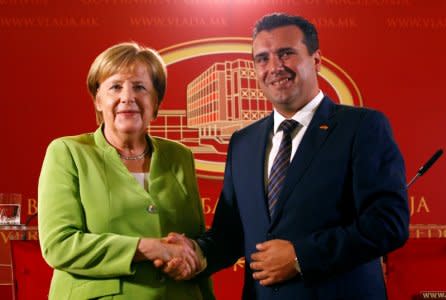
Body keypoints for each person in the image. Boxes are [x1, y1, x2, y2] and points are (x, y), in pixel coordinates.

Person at [163, 13, 410, 299]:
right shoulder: (244, 142)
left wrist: (300, 256)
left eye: (286, 54)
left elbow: (388, 224)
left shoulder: (362, 128)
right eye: (262, 58)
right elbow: (230, 235)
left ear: (316, 60)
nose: (274, 67)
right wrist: (194, 252)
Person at [38, 42, 214, 300]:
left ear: (156, 102)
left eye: (140, 87)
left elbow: (195, 241)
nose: (128, 97)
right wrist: (148, 248)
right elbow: (60, 245)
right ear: (98, 100)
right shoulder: (68, 152)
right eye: (116, 86)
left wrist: (193, 259)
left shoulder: (180, 156)